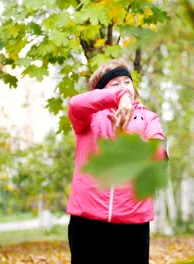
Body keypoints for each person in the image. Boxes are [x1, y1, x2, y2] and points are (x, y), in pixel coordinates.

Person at [66, 58, 167, 264]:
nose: (124, 87)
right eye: (115, 83)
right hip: (87, 222)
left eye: (127, 82)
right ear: (101, 91)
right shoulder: (88, 118)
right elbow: (75, 103)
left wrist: (128, 135)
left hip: (133, 222)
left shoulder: (148, 118)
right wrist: (118, 97)